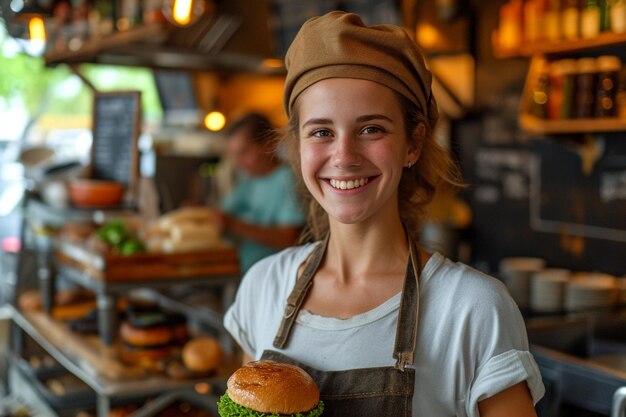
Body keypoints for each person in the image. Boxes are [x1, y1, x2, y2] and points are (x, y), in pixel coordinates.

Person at [223, 12, 544, 417]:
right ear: (298, 146)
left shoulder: (470, 308)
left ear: (413, 143)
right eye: (321, 131)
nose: (344, 156)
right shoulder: (263, 287)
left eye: (371, 129)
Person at [216, 112, 305, 273]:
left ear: (269, 144)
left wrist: (233, 224)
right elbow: (222, 213)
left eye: (244, 152)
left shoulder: (287, 180)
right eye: (234, 155)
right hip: (248, 270)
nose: (238, 162)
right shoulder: (248, 181)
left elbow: (289, 237)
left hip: (278, 274)